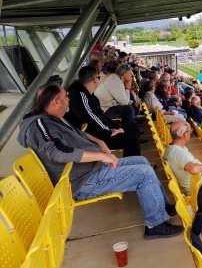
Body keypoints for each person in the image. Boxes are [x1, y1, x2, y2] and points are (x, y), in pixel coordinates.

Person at [18, 83, 183, 240]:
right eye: (65, 97)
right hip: (82, 181)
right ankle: (155, 224)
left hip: (90, 169)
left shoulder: (53, 119)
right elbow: (58, 152)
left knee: (142, 161)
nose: (68, 100)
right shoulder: (39, 125)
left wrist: (100, 142)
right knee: (144, 174)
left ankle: (163, 206)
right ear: (55, 101)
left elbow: (77, 134)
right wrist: (101, 156)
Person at [66, 66, 143, 157]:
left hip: (100, 130)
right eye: (99, 77)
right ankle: (133, 168)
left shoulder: (89, 96)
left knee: (133, 127)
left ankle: (138, 161)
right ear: (95, 80)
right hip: (94, 136)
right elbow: (91, 119)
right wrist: (109, 132)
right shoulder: (80, 96)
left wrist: (117, 127)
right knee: (132, 139)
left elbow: (100, 116)